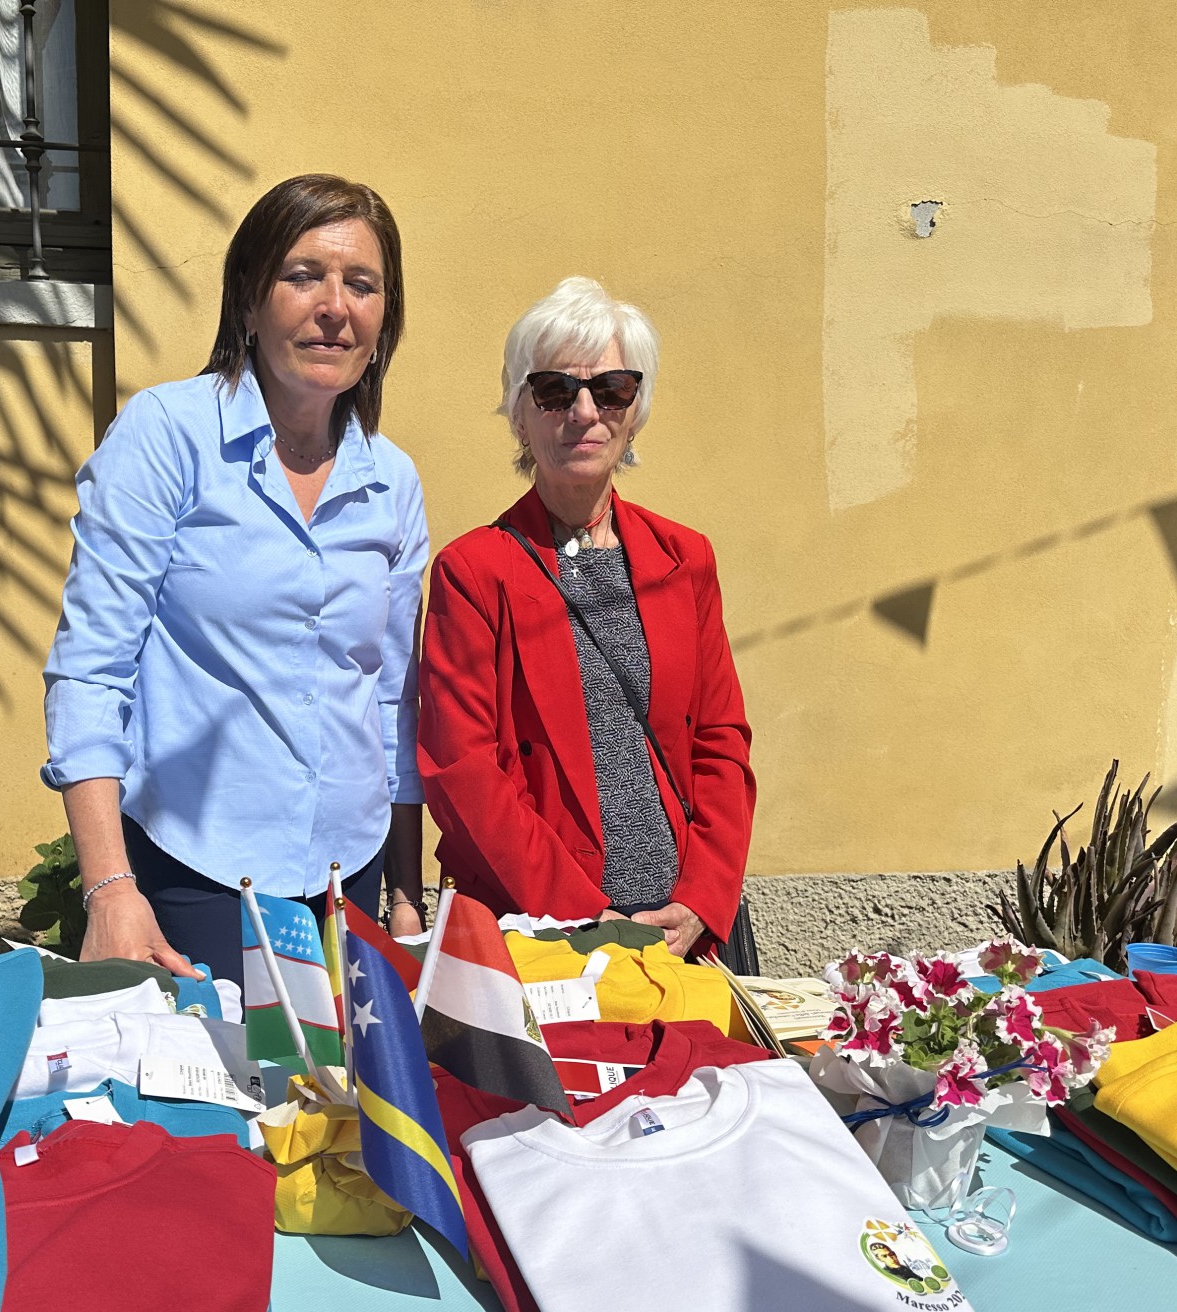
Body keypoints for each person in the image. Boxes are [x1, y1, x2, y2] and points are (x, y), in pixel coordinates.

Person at [42, 175, 430, 986]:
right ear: (249, 302)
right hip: (199, 871)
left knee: (348, 1072)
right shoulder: (166, 435)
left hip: (349, 873)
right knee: (223, 1070)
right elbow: (92, 669)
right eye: (302, 276)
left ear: (384, 319)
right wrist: (110, 889)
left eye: (362, 285)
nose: (335, 307)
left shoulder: (391, 481)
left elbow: (392, 699)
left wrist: (404, 890)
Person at [418, 277, 755, 957]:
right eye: (553, 391)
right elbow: (463, 770)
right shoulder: (474, 571)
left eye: (611, 390)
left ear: (636, 410)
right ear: (519, 413)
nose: (583, 412)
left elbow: (720, 740)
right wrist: (586, 920)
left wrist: (702, 898)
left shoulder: (684, 558)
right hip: (542, 931)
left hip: (683, 931)